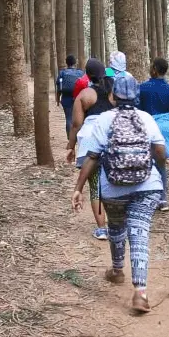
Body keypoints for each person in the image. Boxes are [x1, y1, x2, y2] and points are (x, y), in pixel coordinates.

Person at [72, 75, 166, 313]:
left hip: (113, 187)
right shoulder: (146, 118)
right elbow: (161, 151)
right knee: (139, 233)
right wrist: (146, 162)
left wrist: (78, 188)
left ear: (112, 97)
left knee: (116, 227)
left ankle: (116, 270)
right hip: (147, 186)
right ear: (136, 97)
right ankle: (140, 293)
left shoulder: (104, 119)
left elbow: (92, 157)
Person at [67, 59, 113, 239]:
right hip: (112, 140)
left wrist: (71, 146)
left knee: (96, 186)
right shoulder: (113, 91)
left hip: (91, 142)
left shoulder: (85, 94)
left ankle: (102, 228)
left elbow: (76, 123)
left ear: (87, 74)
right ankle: (118, 225)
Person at [139, 58, 169, 211]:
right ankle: (163, 199)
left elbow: (137, 111)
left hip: (146, 127)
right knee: (160, 164)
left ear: (154, 69)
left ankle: (144, 197)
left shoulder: (142, 88)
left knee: (144, 162)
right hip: (165, 129)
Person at [56, 55, 84, 135]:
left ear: (66, 63)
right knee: (79, 118)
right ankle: (79, 136)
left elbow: (59, 88)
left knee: (68, 118)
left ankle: (70, 136)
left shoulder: (62, 73)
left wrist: (58, 100)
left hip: (66, 98)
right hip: (78, 98)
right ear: (75, 63)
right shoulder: (80, 73)